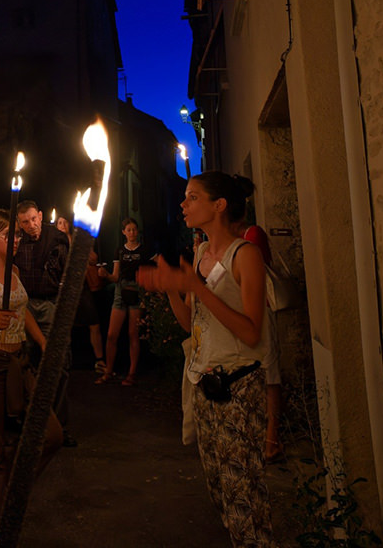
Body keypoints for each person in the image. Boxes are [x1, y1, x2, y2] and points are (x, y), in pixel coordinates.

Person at [140, 172, 277, 547]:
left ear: (219, 206)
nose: (183, 205)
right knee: (220, 490)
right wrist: (172, 289)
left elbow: (251, 332)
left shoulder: (244, 255)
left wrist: (195, 287)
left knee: (243, 497)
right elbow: (190, 324)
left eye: (193, 197)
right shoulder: (200, 254)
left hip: (238, 387)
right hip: (204, 383)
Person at [0, 210, 62, 548]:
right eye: (8, 236)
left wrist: (42, 339)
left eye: (17, 235)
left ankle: (13, 489)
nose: (16, 240)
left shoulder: (14, 271)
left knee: (51, 435)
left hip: (20, 363)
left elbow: (23, 310)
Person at [11, 200, 74, 445]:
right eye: (25, 222)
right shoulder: (17, 240)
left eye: (33, 219)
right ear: (19, 223)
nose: (31, 225)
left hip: (50, 303)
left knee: (57, 363)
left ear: (40, 215)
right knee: (26, 363)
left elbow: (62, 269)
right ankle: (30, 423)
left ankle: (58, 425)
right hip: (24, 304)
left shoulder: (56, 237)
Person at [241, 222, 283, 461]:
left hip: (261, 310)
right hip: (245, 312)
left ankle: (271, 439)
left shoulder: (252, 235)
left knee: (270, 375)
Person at [97, 217, 145, 385]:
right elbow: (115, 277)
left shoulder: (144, 250)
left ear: (137, 231)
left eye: (134, 229)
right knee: (111, 334)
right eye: (128, 230)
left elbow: (155, 265)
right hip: (120, 291)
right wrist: (106, 275)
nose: (132, 233)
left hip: (136, 291)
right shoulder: (120, 251)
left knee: (133, 334)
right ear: (123, 232)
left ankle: (132, 373)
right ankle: (109, 371)